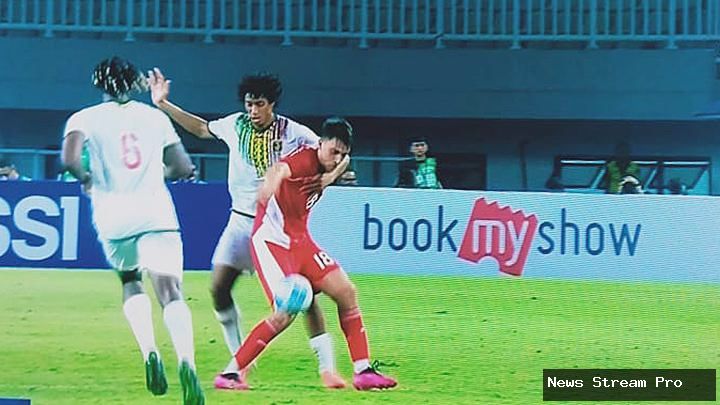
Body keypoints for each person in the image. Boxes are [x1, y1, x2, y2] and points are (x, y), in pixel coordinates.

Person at [147, 68, 348, 389]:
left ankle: (327, 369)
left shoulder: (294, 132)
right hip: (240, 222)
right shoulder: (234, 125)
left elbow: (336, 152)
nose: (253, 110)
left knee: (303, 297)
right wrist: (163, 104)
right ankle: (240, 358)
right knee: (218, 288)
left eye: (259, 104)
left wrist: (328, 178)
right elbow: (200, 128)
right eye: (249, 104)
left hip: (276, 226)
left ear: (272, 104)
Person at [61, 57, 204, 405]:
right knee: (170, 290)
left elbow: (69, 159)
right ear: (133, 82)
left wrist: (87, 178)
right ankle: (187, 362)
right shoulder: (154, 118)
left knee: (130, 280)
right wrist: (158, 173)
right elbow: (183, 167)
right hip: (156, 213)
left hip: (113, 215)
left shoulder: (83, 118)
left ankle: (149, 351)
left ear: (99, 84)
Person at [229, 117, 398, 391]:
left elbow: (344, 159)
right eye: (333, 152)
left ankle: (363, 371)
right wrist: (269, 186)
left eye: (342, 153)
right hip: (273, 241)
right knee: (287, 311)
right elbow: (279, 169)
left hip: (301, 241)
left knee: (346, 292)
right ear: (320, 143)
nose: (337, 158)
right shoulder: (305, 159)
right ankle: (231, 373)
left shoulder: (331, 160)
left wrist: (330, 176)